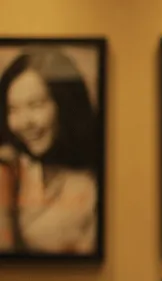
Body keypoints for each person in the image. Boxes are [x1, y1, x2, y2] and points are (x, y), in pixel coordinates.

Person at [0, 48, 99, 254]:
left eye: (35, 105)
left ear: (64, 104)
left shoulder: (89, 186)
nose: (24, 122)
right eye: (13, 109)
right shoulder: (11, 166)